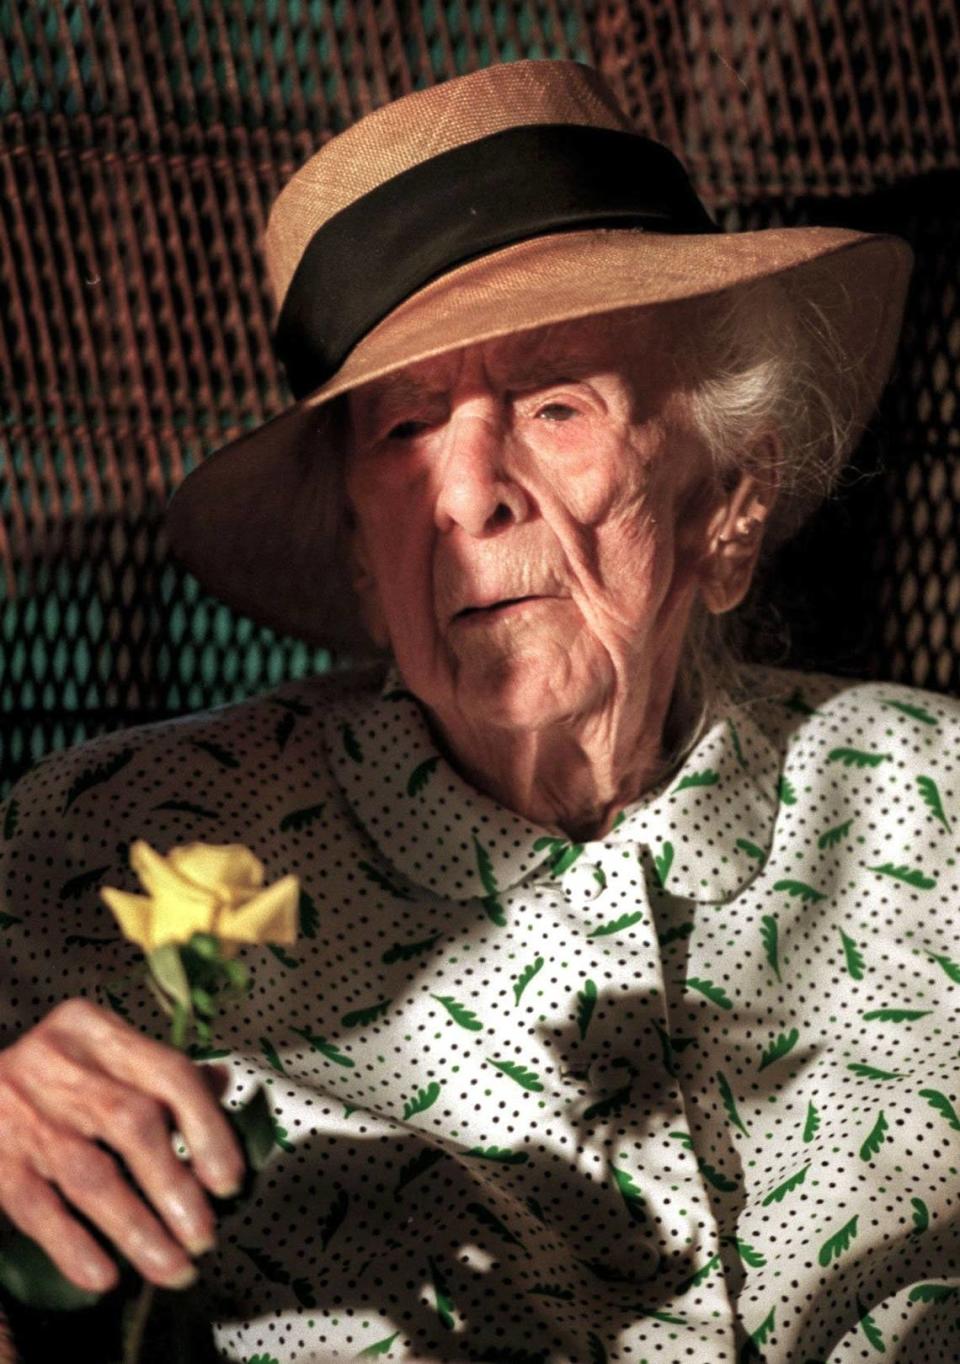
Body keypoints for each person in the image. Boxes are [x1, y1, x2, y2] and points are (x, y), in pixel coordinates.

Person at [0, 58, 955, 1364]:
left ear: (728, 498)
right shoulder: (90, 856)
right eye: (402, 434)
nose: (466, 495)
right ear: (357, 553)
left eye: (555, 404)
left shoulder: (937, 809)